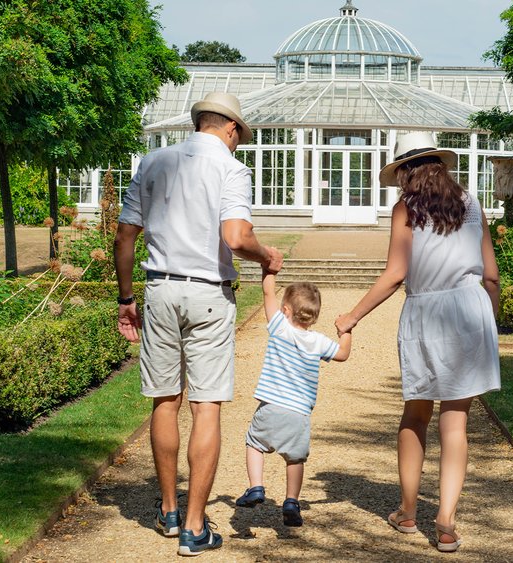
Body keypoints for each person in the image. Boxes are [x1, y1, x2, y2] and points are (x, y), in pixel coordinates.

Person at [114, 91, 283, 557]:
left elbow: (126, 235)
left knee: (164, 401)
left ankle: (169, 511)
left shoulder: (153, 162)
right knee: (205, 407)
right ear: (231, 129)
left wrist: (126, 297)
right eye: (239, 137)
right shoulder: (229, 168)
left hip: (160, 289)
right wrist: (266, 254)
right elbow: (235, 236)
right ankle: (194, 526)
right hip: (208, 294)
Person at [334, 131, 501, 553]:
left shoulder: (405, 209)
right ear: (439, 165)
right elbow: (492, 275)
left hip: (427, 312)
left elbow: (395, 274)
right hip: (470, 308)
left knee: (416, 413)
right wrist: (490, 321)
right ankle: (445, 518)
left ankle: (408, 511)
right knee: (455, 420)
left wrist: (352, 316)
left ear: (406, 171)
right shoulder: (470, 203)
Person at [234, 271, 351, 527]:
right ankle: (291, 501)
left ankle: (256, 486)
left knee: (254, 443)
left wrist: (269, 271)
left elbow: (267, 293)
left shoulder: (279, 328)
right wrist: (346, 330)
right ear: (314, 316)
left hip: (271, 405)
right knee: (295, 458)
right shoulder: (318, 341)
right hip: (298, 413)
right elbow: (342, 354)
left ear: (286, 309)